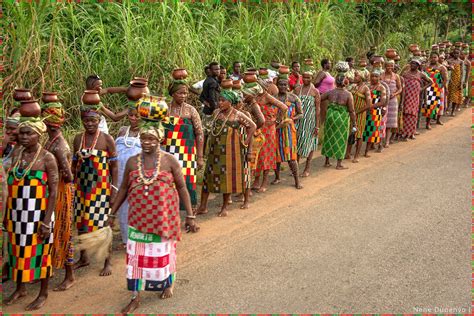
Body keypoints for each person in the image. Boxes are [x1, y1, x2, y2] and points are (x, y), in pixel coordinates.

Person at [108, 121, 198, 313]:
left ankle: (168, 282)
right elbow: (123, 188)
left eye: (151, 139)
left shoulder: (170, 160)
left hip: (163, 218)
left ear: (160, 140)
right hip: (138, 218)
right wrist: (112, 213)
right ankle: (135, 296)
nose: (147, 142)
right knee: (136, 257)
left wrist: (190, 215)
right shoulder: (133, 161)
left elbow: (182, 188)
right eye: (143, 139)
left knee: (162, 254)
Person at [4, 117, 58, 310]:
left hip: (38, 215)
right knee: (17, 251)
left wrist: (45, 222)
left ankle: (43, 293)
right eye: (22, 133)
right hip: (17, 213)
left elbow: (53, 191)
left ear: (39, 135)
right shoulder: (17, 152)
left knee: (41, 253)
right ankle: (21, 287)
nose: (25, 137)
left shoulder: (47, 158)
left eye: (30, 133)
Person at [72, 103, 118, 276]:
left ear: (99, 120)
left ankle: (108, 261)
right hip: (81, 188)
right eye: (86, 120)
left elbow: (114, 166)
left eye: (93, 120)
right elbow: (74, 164)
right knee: (81, 222)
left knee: (102, 223)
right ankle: (84, 257)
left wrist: (113, 188)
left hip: (101, 189)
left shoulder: (106, 139)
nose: (89, 124)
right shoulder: (78, 139)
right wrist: (71, 182)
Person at [196, 90, 256, 217]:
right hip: (214, 151)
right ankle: (203, 206)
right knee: (208, 178)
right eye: (219, 100)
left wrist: (245, 141)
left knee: (227, 179)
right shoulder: (216, 113)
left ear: (231, 102)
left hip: (231, 151)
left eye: (223, 100)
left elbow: (252, 126)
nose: (220, 103)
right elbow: (210, 129)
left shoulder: (238, 115)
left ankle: (224, 208)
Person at [42, 101, 76, 291]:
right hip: (57, 189)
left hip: (63, 190)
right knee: (56, 231)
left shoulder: (59, 146)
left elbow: (69, 175)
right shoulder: (53, 141)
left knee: (64, 231)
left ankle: (70, 275)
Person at [163, 79, 204, 211]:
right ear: (172, 93)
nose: (184, 96)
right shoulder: (164, 109)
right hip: (168, 154)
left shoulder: (190, 110)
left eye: (186, 93)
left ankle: (190, 213)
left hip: (187, 154)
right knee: (170, 182)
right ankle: (170, 212)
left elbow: (199, 133)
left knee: (188, 182)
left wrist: (200, 157)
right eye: (180, 93)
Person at [247, 80, 287, 193]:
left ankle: (264, 182)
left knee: (266, 155)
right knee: (257, 155)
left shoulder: (267, 97)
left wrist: (277, 120)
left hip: (268, 130)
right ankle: (256, 180)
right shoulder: (254, 97)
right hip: (258, 128)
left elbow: (283, 107)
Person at [115, 105, 142, 247]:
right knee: (123, 207)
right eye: (131, 115)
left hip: (137, 176)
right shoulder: (122, 131)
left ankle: (137, 238)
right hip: (120, 176)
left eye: (136, 116)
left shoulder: (145, 132)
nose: (133, 118)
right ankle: (126, 239)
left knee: (137, 205)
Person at [320, 63, 356, 170]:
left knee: (329, 137)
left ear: (336, 82)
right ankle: (339, 164)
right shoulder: (348, 94)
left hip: (330, 116)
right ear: (346, 82)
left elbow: (319, 99)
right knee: (341, 138)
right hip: (341, 118)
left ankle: (327, 161)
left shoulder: (330, 92)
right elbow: (351, 110)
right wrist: (354, 124)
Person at [272, 74, 303, 189]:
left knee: (291, 157)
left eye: (285, 84)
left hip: (288, 130)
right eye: (280, 84)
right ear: (277, 85)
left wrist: (291, 119)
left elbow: (300, 114)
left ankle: (297, 181)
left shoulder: (294, 98)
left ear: (288, 85)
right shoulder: (273, 98)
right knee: (276, 155)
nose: (283, 86)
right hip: (275, 129)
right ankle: (277, 177)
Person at [294, 72, 320, 177]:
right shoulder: (297, 90)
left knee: (310, 143)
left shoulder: (315, 92)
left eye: (308, 77)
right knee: (297, 143)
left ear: (312, 78)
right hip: (298, 121)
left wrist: (317, 125)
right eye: (304, 77)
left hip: (310, 121)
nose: (305, 79)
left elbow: (318, 109)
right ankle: (295, 168)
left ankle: (307, 168)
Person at [400, 59, 433, 140]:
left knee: (413, 114)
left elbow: (430, 82)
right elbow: (400, 81)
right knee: (405, 113)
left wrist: (422, 89)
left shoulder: (421, 74)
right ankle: (403, 133)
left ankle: (410, 132)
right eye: (412, 64)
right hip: (405, 95)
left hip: (414, 96)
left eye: (415, 64)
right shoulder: (405, 73)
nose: (413, 65)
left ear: (418, 66)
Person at [345, 70, 371, 162]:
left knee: (359, 135)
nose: (355, 77)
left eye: (356, 76)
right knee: (351, 133)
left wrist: (357, 112)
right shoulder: (355, 87)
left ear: (362, 77)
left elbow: (368, 105)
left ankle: (356, 156)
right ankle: (347, 153)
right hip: (353, 114)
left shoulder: (365, 88)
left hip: (360, 114)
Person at [362, 69, 387, 157]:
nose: (373, 78)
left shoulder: (381, 88)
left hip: (375, 112)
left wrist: (371, 106)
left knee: (371, 131)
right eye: (372, 76)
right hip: (364, 110)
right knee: (362, 129)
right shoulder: (367, 86)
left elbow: (382, 102)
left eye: (376, 76)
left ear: (379, 77)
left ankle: (366, 151)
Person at [421, 52, 448, 129]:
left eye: (435, 57)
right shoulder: (426, 67)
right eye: (432, 57)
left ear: (438, 58)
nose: (433, 59)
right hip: (427, 88)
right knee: (428, 106)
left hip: (437, 89)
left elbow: (445, 79)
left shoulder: (442, 67)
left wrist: (440, 88)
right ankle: (427, 122)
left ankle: (433, 121)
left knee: (436, 106)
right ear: (429, 58)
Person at [381, 60, 402, 146]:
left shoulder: (396, 76)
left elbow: (400, 88)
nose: (390, 68)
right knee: (381, 119)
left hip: (392, 101)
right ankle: (379, 140)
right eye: (388, 66)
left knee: (390, 121)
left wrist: (395, 94)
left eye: (391, 66)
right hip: (382, 100)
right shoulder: (381, 76)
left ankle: (387, 141)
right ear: (385, 66)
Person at [447, 49, 463, 115]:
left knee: (455, 96)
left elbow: (462, 72)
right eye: (455, 53)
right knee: (448, 95)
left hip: (457, 81)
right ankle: (447, 109)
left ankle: (453, 111)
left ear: (459, 54)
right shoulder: (449, 61)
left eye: (457, 53)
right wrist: (449, 67)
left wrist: (461, 82)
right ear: (453, 54)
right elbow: (446, 70)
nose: (456, 54)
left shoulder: (461, 62)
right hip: (449, 80)